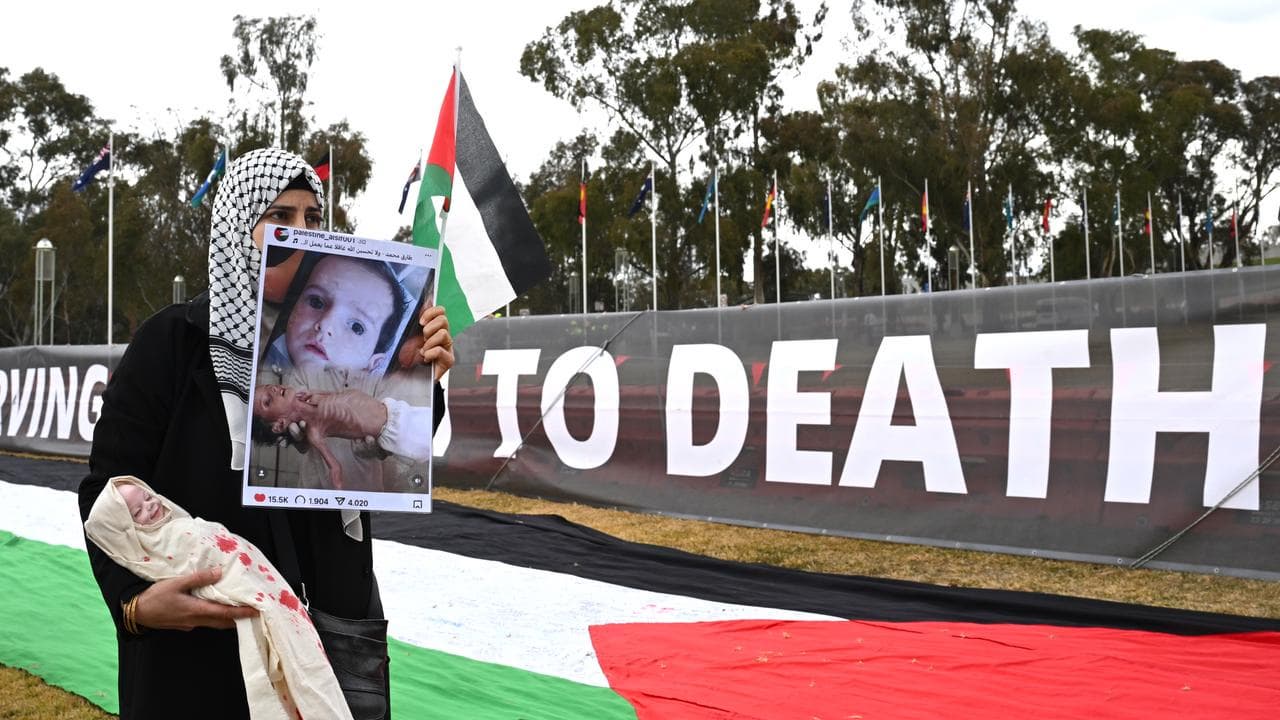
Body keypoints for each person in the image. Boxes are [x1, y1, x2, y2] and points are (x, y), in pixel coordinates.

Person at [78, 147, 454, 720]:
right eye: (280, 218)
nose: (301, 234)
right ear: (236, 229)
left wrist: (423, 379)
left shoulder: (341, 351)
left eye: (312, 218)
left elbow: (399, 454)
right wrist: (134, 604)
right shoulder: (174, 343)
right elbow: (109, 490)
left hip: (330, 632)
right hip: (202, 644)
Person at [85, 476, 354, 720]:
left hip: (292, 575)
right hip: (192, 647)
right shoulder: (156, 535)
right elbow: (98, 495)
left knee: (304, 672)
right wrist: (134, 603)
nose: (150, 505)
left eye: (147, 498)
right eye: (137, 511)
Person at [252, 383, 393, 491]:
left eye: (269, 386)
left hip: (389, 412)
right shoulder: (314, 433)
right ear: (280, 425)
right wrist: (338, 496)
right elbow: (335, 467)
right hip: (384, 432)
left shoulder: (312, 396)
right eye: (268, 401)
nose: (273, 389)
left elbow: (340, 395)